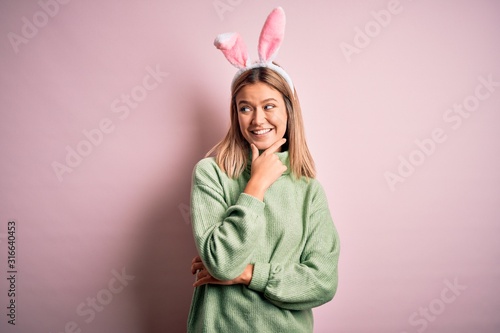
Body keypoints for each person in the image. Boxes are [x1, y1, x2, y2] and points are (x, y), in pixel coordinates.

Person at [187, 7, 340, 333]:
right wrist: (255, 185)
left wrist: (247, 274)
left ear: (288, 109)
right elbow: (220, 262)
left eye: (268, 106)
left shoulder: (308, 189)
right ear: (235, 113)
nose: (257, 120)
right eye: (246, 108)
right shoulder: (210, 174)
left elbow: (322, 281)